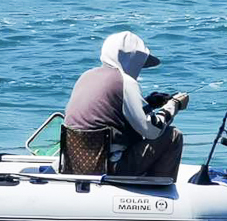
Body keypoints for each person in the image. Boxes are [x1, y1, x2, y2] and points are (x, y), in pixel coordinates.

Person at [63, 30, 189, 178]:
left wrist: (149, 104)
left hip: (75, 163)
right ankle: (159, 192)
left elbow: (113, 112)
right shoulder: (125, 82)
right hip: (109, 168)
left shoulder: (86, 76)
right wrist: (174, 105)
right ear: (133, 59)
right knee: (172, 135)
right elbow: (151, 130)